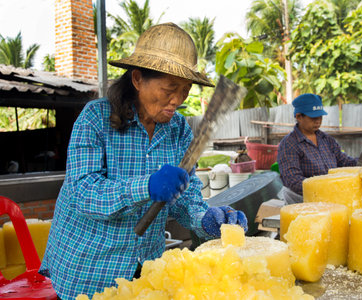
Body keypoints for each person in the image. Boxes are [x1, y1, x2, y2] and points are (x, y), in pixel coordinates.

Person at [39, 23, 248, 299]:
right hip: (88, 269)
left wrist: (206, 218)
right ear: (137, 79)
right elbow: (83, 193)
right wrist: (145, 187)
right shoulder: (96, 118)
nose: (177, 100)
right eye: (169, 88)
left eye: (185, 90)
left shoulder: (179, 131)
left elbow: (185, 199)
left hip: (144, 270)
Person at [277, 93, 357, 204]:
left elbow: (344, 161)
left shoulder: (327, 140)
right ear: (299, 117)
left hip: (332, 198)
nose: (318, 121)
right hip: (303, 201)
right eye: (313, 117)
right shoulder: (289, 144)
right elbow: (293, 180)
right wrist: (323, 189)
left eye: (320, 116)